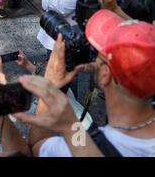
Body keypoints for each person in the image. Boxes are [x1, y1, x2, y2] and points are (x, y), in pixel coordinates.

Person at [23, 10, 155, 157]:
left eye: (97, 52)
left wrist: (50, 87)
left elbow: (37, 145)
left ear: (105, 76)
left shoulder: (88, 149)